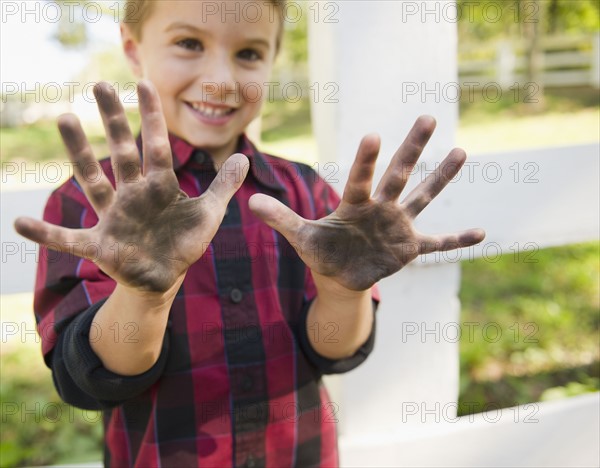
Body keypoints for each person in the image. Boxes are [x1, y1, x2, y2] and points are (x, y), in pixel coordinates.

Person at [14, 1, 485, 466]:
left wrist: (342, 293)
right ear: (133, 49)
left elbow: (333, 350)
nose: (221, 78)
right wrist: (144, 297)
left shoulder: (305, 194)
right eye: (189, 43)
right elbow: (85, 381)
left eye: (249, 54)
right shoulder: (89, 206)